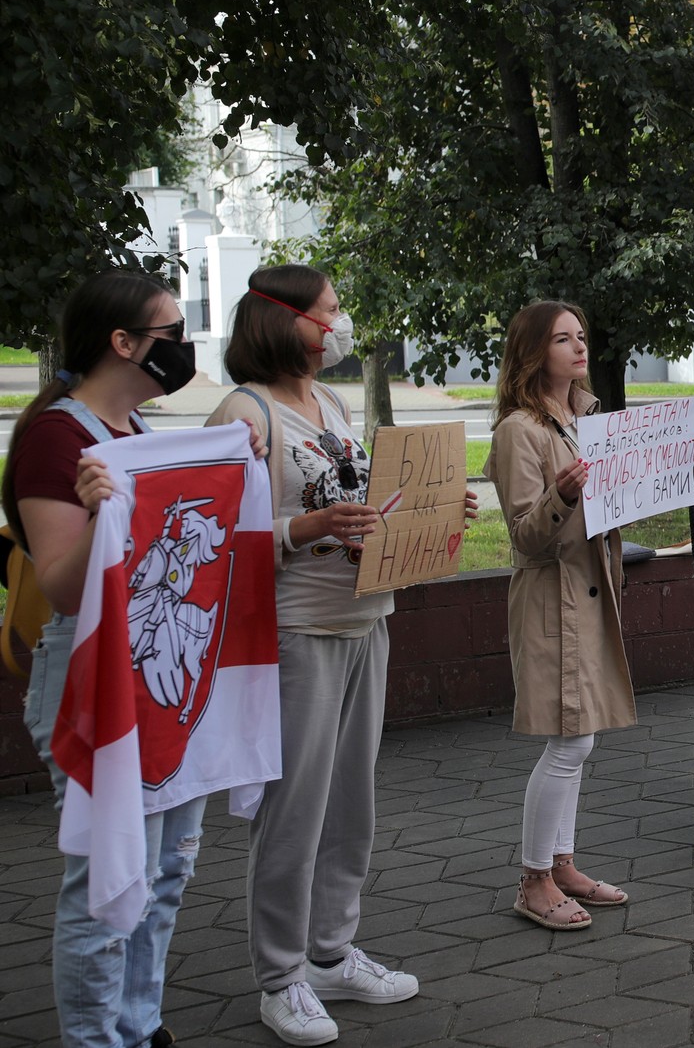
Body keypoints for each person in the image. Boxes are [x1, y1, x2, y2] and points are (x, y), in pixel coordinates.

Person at [207, 265, 464, 1045]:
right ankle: (279, 976)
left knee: (352, 805)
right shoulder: (241, 413)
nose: (341, 322)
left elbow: (364, 499)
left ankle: (330, 952)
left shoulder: (329, 402)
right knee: (295, 812)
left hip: (365, 623)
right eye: (330, 311)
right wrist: (304, 530)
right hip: (299, 634)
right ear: (284, 321)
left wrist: (439, 504)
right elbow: (215, 538)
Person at [8, 271, 218, 1048]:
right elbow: (64, 590)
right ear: (123, 344)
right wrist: (101, 515)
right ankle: (96, 1037)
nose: (184, 347)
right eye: (170, 332)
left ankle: (139, 1020)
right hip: (93, 682)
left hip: (152, 677)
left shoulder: (134, 435)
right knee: (109, 878)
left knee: (166, 870)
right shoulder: (57, 440)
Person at [486, 301, 669, 929]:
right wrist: (562, 494)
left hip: (587, 594)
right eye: (563, 339)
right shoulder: (520, 429)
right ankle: (534, 878)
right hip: (552, 598)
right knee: (569, 741)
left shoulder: (585, 417)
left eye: (582, 336)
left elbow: (612, 505)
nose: (579, 347)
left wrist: (669, 471)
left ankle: (560, 864)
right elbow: (525, 535)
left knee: (579, 738)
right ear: (534, 351)